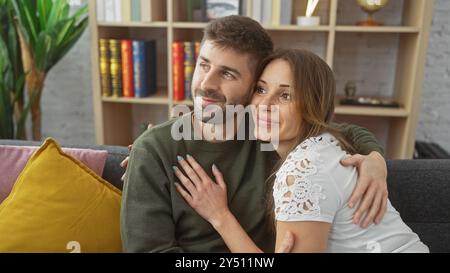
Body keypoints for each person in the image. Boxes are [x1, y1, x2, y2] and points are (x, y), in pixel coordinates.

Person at [121, 16, 389, 253]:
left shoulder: (270, 132)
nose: (206, 84)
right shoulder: (154, 150)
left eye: (227, 73)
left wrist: (376, 161)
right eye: (204, 65)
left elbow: (346, 131)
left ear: (253, 88)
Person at [173, 49, 429, 253]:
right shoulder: (325, 142)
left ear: (312, 106)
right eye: (261, 89)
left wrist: (220, 216)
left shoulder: (303, 171)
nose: (264, 105)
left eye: (284, 96)